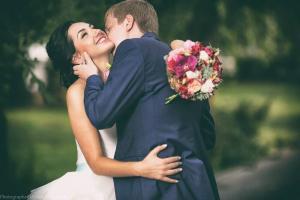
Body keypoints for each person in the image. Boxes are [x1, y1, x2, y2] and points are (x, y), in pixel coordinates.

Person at [75, 0, 220, 199]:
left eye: (109, 28)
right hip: (197, 180)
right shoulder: (185, 62)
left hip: (157, 185)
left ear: (127, 22)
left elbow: (100, 115)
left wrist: (92, 77)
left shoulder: (132, 49)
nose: (106, 34)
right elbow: (208, 136)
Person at [28, 21, 182, 200]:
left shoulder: (126, 78)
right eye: (84, 34)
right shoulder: (78, 92)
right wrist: (143, 168)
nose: (96, 31)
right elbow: (96, 162)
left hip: (138, 185)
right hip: (98, 189)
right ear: (77, 57)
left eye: (92, 26)